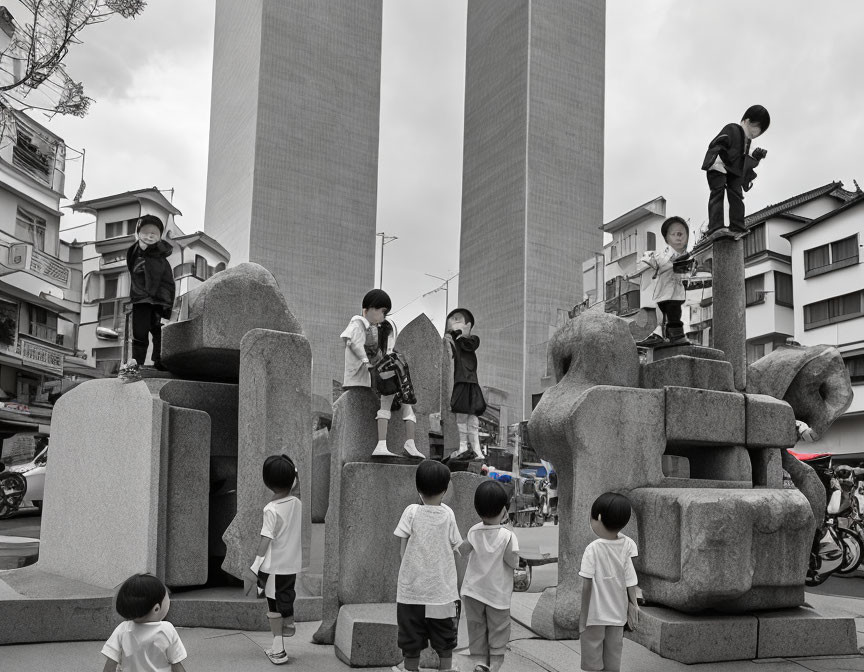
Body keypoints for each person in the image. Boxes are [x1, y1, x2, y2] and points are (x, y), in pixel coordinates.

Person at [392, 459, 463, 672]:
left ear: (418, 488)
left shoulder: (411, 512)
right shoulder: (448, 514)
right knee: (445, 640)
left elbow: (402, 550)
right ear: (445, 489)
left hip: (412, 592)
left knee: (411, 640)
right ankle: (445, 669)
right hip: (442, 593)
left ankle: (410, 669)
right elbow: (457, 546)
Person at [341, 289, 423, 459]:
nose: (384, 317)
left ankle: (408, 444)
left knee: (405, 406)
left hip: (379, 376)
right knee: (391, 404)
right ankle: (385, 444)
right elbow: (352, 342)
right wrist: (367, 362)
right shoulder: (357, 323)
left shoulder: (374, 328)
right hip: (371, 377)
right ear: (370, 308)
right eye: (383, 311)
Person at [459, 480, 520, 672]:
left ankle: (478, 662)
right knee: (498, 629)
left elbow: (463, 549)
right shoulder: (508, 536)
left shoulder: (474, 530)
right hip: (497, 595)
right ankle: (494, 664)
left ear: (477, 509)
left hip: (473, 592)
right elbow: (513, 561)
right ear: (504, 510)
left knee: (476, 628)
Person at [250, 454, 302, 665]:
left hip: (274, 567)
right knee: (285, 597)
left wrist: (255, 566)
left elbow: (266, 540)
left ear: (266, 482)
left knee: (273, 607)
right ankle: (287, 625)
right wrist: (294, 471)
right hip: (291, 565)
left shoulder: (271, 510)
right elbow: (296, 485)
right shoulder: (297, 503)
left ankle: (278, 650)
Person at [579, 492, 640, 672]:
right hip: (617, 616)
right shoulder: (627, 545)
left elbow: (587, 586)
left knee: (592, 661)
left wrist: (582, 619)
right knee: (613, 659)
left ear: (598, 517)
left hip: (595, 616)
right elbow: (630, 581)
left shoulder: (592, 549)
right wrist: (634, 605)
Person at [119, 214, 175, 381]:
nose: (150, 236)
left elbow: (168, 281)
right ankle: (136, 362)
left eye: (154, 233)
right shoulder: (135, 252)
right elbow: (133, 268)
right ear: (138, 233)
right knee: (139, 334)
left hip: (158, 301)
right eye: (146, 232)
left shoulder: (161, 258)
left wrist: (166, 302)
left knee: (158, 332)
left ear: (159, 236)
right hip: (141, 299)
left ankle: (158, 360)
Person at [702, 104, 770, 234]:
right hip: (718, 165)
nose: (756, 134)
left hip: (734, 171)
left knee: (737, 195)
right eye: (757, 129)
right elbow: (717, 143)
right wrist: (716, 162)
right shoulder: (732, 129)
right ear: (747, 121)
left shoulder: (747, 142)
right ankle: (716, 226)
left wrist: (757, 156)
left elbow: (747, 157)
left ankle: (737, 224)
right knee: (717, 193)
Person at [101, 573, 187, 672]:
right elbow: (176, 663)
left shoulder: (122, 629)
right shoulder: (167, 629)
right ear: (156, 609)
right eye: (167, 598)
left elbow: (110, 663)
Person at [629, 216, 691, 347]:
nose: (678, 238)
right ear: (667, 237)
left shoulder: (684, 256)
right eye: (674, 234)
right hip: (662, 291)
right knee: (662, 314)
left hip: (675, 291)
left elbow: (688, 272)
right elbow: (648, 264)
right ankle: (661, 335)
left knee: (674, 313)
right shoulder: (661, 255)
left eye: (681, 234)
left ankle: (675, 335)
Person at [444, 308, 486, 460]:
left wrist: (461, 335)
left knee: (473, 416)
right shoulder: (448, 341)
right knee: (461, 415)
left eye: (459, 319)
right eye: (452, 319)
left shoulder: (471, 340)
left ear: (468, 325)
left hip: (471, 381)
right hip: (459, 381)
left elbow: (469, 344)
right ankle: (463, 445)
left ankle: (476, 448)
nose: (455, 322)